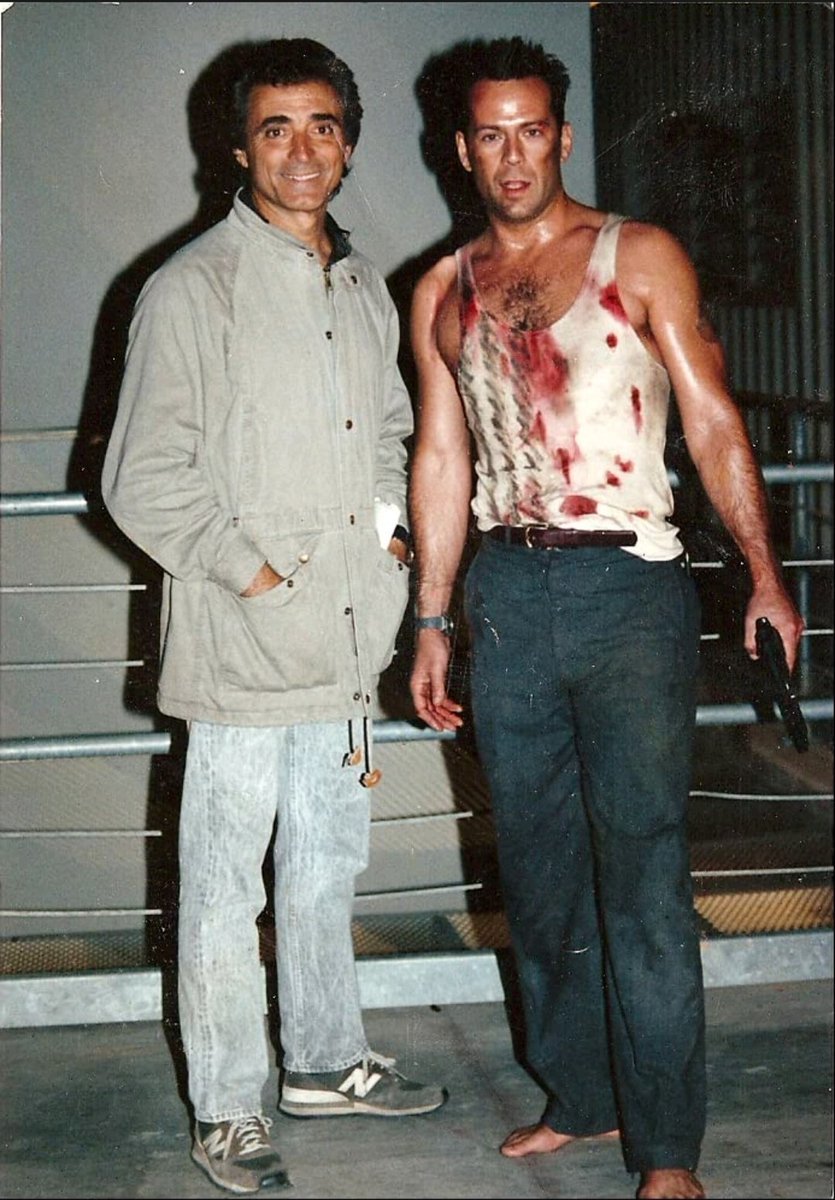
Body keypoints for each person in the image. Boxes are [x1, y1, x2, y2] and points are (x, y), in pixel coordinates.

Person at [408, 36, 803, 1200]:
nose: (512, 155)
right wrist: (431, 619)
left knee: (640, 874)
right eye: (490, 135)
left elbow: (712, 419)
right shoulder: (440, 290)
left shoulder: (638, 254)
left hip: (629, 589)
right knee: (537, 879)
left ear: (563, 137)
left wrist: (764, 573)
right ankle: (580, 1098)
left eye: (531, 131)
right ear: (461, 148)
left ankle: (667, 1146)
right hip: (504, 597)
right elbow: (442, 458)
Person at [102, 37, 446, 1196]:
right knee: (221, 889)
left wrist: (390, 540)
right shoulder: (191, 287)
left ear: (347, 143)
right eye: (275, 128)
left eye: (323, 126)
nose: (302, 150)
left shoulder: (359, 286)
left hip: (345, 641)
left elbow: (390, 433)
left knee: (325, 867)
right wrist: (249, 574)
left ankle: (325, 1060)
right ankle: (228, 1106)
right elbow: (142, 477)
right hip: (244, 649)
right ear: (238, 148)